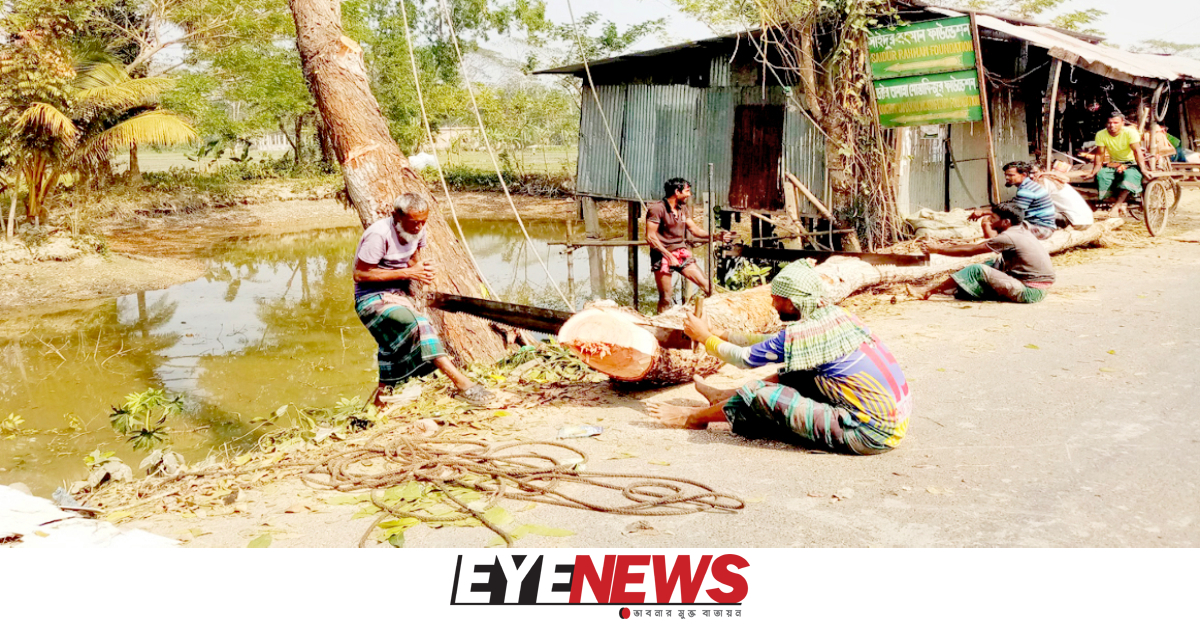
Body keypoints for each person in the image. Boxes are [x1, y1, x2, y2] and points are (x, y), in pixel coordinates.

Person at [646, 261, 912, 455]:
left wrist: (704, 338)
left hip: (869, 432)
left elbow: (744, 359)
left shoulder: (803, 335)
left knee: (759, 393)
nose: (773, 305)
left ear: (793, 302)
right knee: (797, 374)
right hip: (891, 422)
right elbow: (766, 344)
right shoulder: (833, 317)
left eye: (777, 299)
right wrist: (716, 333)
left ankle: (695, 418)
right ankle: (724, 397)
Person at [353, 193, 494, 407]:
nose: (419, 228)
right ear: (396, 217)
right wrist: (410, 273)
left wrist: (423, 271)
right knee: (419, 324)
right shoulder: (379, 235)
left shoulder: (418, 229)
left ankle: (376, 409)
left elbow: (414, 259)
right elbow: (361, 275)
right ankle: (462, 383)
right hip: (372, 299)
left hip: (399, 296)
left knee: (392, 353)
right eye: (413, 223)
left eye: (422, 222)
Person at [910, 202, 1054, 304]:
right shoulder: (1021, 230)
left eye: (993, 218)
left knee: (976, 269)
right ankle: (955, 288)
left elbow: (972, 250)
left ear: (1006, 222)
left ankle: (927, 291)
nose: (990, 221)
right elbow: (987, 243)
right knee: (991, 264)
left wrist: (937, 249)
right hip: (1037, 288)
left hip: (1029, 291)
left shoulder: (1008, 237)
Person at [645, 178, 731, 313]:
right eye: (687, 191)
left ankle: (714, 317)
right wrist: (668, 255)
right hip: (662, 256)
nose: (690, 195)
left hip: (681, 253)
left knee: (708, 286)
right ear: (676, 191)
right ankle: (661, 327)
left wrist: (715, 236)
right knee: (666, 298)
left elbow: (695, 230)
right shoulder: (657, 209)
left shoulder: (683, 208)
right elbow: (650, 237)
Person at [1085, 112, 1149, 216]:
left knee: (1129, 176)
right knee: (1102, 175)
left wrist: (1143, 168)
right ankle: (1113, 201)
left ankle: (1117, 206)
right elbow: (1100, 154)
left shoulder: (1130, 133)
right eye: (1110, 123)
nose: (1112, 126)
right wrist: (1095, 170)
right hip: (1114, 163)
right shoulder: (1101, 134)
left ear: (1123, 123)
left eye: (1116, 123)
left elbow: (1137, 151)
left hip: (1131, 163)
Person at [999, 161, 1056, 239]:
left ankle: (995, 249)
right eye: (1006, 175)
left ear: (1023, 175)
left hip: (1041, 229)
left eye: (1011, 175)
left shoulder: (1026, 191)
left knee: (993, 223)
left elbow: (1014, 213)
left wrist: (984, 212)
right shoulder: (1029, 185)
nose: (1007, 178)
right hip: (1041, 226)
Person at [1033, 161, 1094, 229]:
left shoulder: (1044, 181)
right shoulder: (1054, 179)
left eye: (1034, 173)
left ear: (1042, 171)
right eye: (1030, 173)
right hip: (1086, 220)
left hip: (1076, 222)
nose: (1032, 176)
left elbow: (1038, 203)